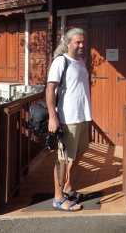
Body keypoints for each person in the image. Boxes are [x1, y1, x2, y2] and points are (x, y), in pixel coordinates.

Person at [46, 28, 92, 211]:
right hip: (67, 118)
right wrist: (53, 116)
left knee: (79, 154)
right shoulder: (61, 61)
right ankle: (58, 198)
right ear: (68, 43)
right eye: (77, 42)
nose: (81, 45)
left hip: (82, 117)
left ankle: (68, 187)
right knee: (62, 159)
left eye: (83, 42)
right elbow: (50, 89)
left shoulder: (81, 62)